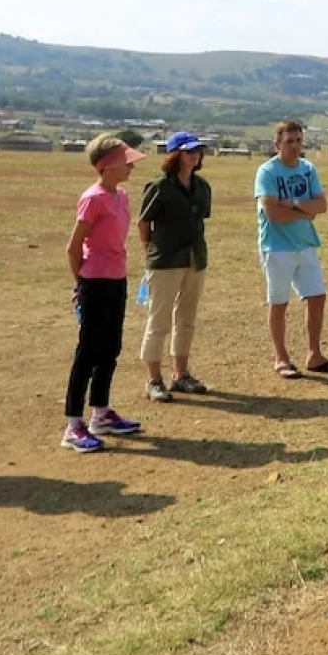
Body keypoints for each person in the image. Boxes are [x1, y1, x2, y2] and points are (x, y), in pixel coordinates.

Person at [63, 134, 148, 453]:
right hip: (95, 282)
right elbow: (73, 248)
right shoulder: (93, 198)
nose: (130, 167)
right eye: (125, 162)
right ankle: (73, 425)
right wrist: (81, 285)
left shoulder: (121, 196)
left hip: (116, 279)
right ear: (107, 166)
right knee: (88, 352)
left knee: (111, 347)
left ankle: (101, 413)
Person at [255, 119, 328, 378]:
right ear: (277, 145)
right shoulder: (267, 172)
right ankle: (281, 358)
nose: (294, 146)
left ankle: (314, 354)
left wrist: (292, 202)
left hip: (305, 244)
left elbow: (321, 206)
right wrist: (304, 211)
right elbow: (273, 214)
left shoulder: (308, 169)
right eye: (289, 141)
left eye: (298, 141)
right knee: (279, 302)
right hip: (277, 247)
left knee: (317, 297)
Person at [138, 131, 212, 402]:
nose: (195, 155)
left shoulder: (202, 186)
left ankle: (181, 374)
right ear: (174, 155)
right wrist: (149, 252)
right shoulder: (159, 187)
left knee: (187, 319)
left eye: (198, 150)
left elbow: (200, 219)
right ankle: (153, 380)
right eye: (189, 151)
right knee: (159, 321)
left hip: (194, 259)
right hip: (165, 261)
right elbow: (144, 222)